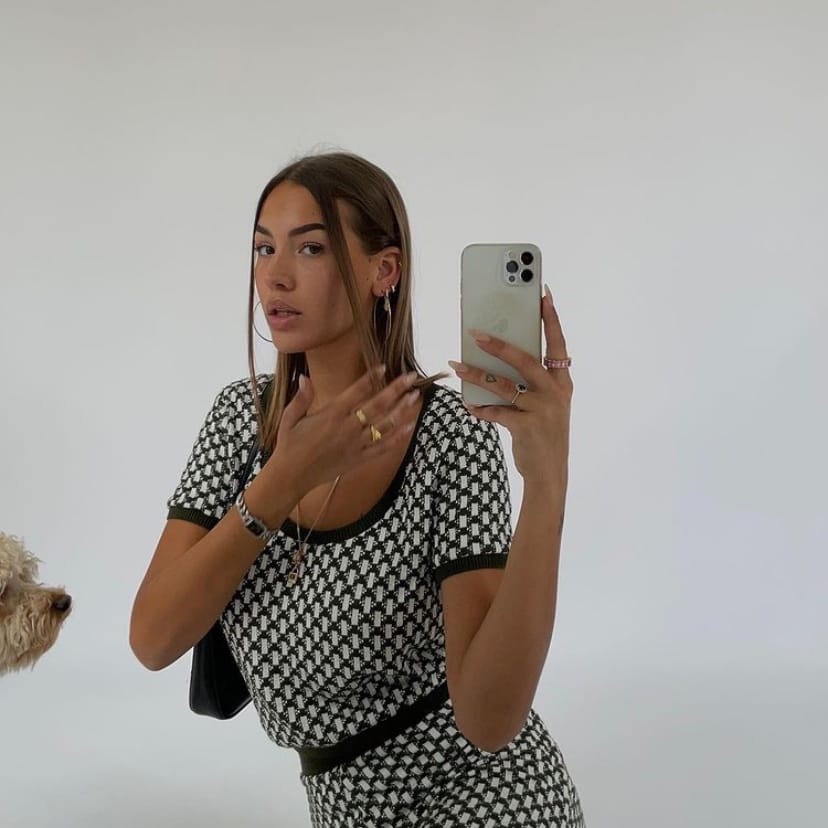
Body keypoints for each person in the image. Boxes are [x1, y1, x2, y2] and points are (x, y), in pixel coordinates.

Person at [129, 150, 584, 827]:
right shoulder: (239, 421)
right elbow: (154, 638)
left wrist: (547, 487)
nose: (275, 274)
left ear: (384, 270)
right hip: (343, 808)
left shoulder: (449, 438)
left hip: (487, 797)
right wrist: (279, 483)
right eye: (264, 248)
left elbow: (489, 721)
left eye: (311, 248)